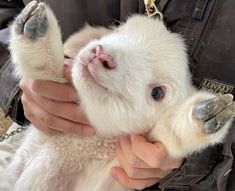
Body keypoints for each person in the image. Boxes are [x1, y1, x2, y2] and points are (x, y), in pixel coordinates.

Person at [0, 0, 234, 190]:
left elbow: (173, 128)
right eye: (121, 32)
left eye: (157, 92)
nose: (105, 53)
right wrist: (22, 78)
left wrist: (191, 158)